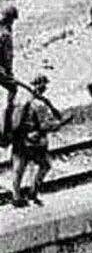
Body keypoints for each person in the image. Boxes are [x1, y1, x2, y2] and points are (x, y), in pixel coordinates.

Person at [10, 75, 62, 208]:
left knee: (18, 169)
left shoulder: (19, 100)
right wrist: (57, 125)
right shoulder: (39, 104)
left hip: (18, 140)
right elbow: (45, 125)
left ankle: (16, 197)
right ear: (42, 87)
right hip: (34, 143)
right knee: (45, 165)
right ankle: (33, 192)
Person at [0, 5, 17, 148]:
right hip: (1, 71)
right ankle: (6, 134)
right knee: (12, 90)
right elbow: (7, 57)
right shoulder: (5, 34)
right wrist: (8, 73)